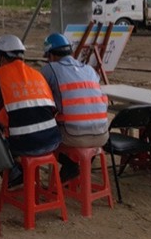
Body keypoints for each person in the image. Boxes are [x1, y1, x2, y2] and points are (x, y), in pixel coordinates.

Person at [39, 32, 109, 182]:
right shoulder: (89, 70)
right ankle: (77, 166)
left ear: (50, 55)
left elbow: (40, 97)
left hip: (74, 136)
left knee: (42, 137)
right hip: (102, 135)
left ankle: (71, 166)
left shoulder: (50, 69)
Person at [0, 34, 61, 178]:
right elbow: (52, 109)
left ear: (0, 57)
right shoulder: (38, 74)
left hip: (25, 145)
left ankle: (13, 175)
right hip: (53, 141)